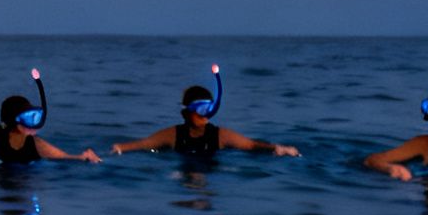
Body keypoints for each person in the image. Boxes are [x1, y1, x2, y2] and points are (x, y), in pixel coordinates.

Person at [111, 80, 298, 158]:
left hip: (214, 173)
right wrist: (119, 148)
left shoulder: (221, 135)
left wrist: (278, 149)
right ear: (186, 112)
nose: (204, 114)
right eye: (200, 109)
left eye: (208, 108)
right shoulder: (172, 135)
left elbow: (251, 146)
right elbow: (143, 144)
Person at [0, 87, 101, 172]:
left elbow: (63, 157)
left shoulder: (36, 143)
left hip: (23, 177)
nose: (33, 123)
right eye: (27, 119)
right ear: (12, 121)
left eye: (35, 118)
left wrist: (83, 157)